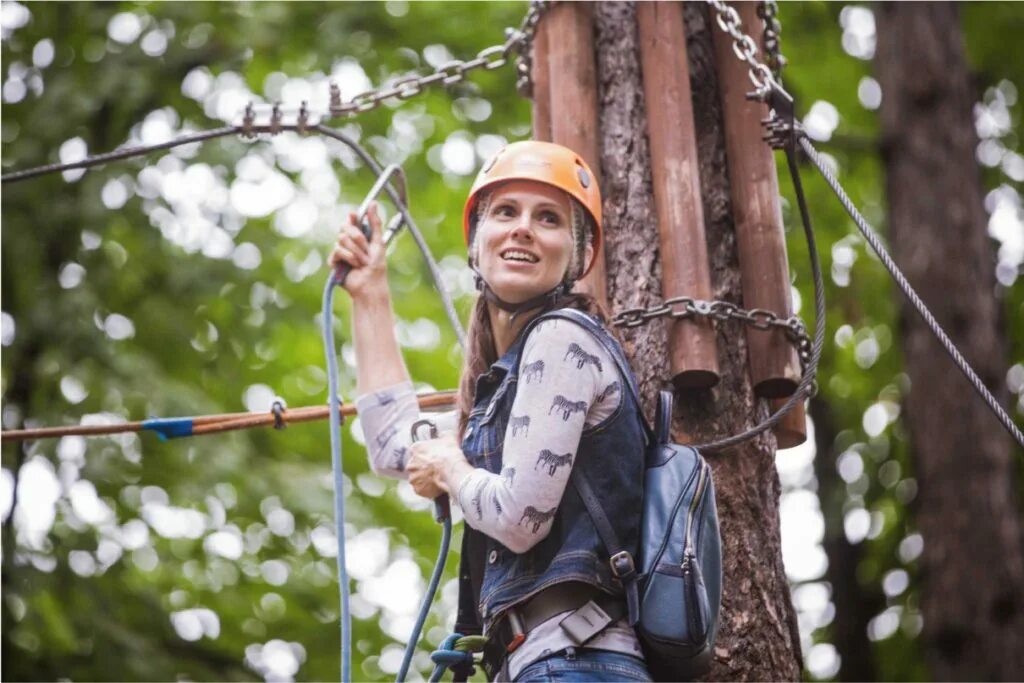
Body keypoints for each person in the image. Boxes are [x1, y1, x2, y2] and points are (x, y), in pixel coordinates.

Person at [329, 141, 651, 682]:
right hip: (543, 663)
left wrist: (451, 470)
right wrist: (369, 294)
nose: (523, 227)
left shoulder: (561, 341)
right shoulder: (503, 394)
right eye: (506, 212)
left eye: (547, 218)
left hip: (574, 660)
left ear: (576, 258)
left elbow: (519, 519)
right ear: (477, 246)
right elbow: (392, 447)